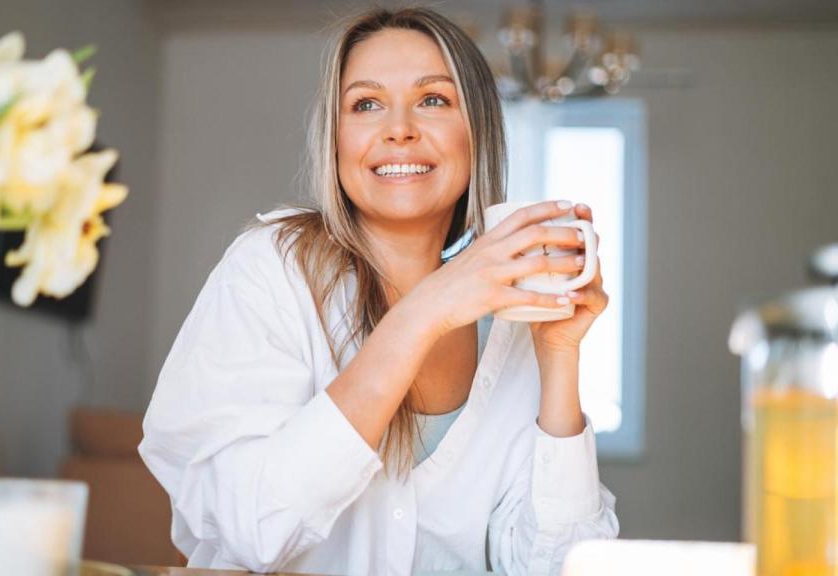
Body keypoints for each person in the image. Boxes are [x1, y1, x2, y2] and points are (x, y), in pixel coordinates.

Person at [140, 7, 619, 575]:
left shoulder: (510, 316)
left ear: (478, 131)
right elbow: (250, 527)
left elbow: (556, 565)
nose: (399, 128)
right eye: (366, 104)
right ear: (336, 138)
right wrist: (427, 311)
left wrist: (560, 356)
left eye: (434, 100)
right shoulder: (271, 270)